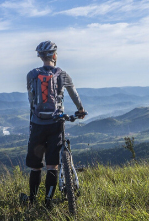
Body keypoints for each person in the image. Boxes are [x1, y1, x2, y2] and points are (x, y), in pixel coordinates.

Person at [21, 40, 86, 208]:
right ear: (55, 55)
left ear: (40, 57)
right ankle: (48, 202)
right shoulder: (62, 74)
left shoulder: (31, 75)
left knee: (36, 167)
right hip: (56, 123)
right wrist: (80, 109)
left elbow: (31, 100)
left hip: (37, 123)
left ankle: (32, 201)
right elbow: (74, 94)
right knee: (52, 165)